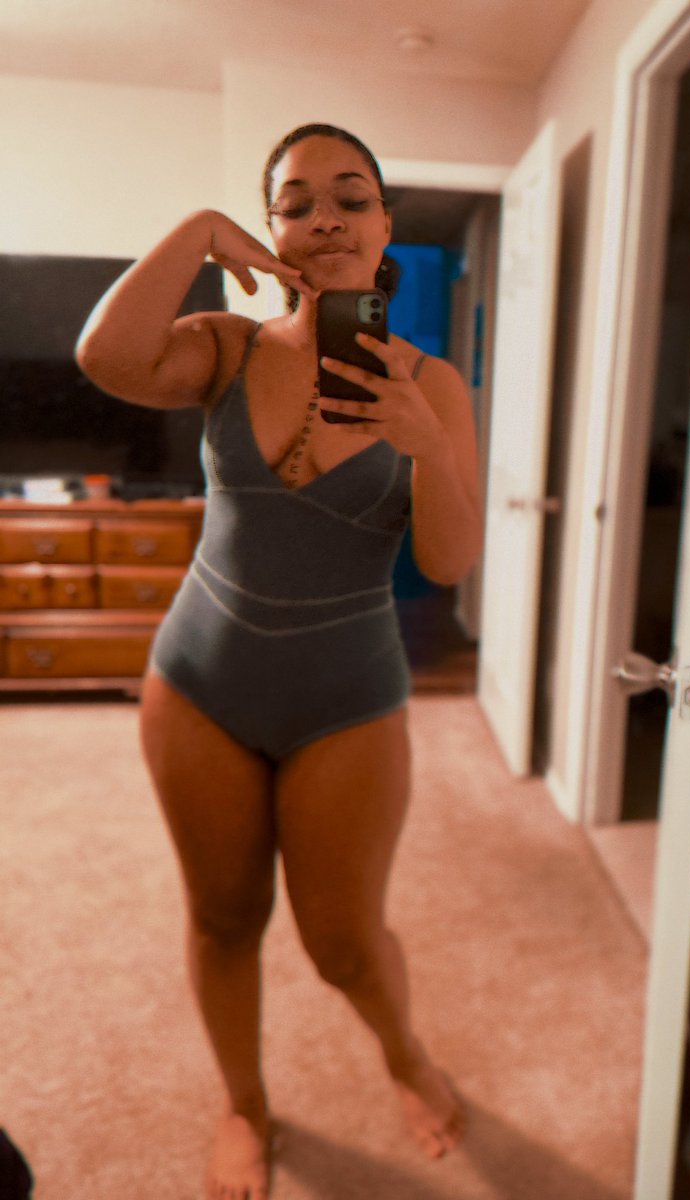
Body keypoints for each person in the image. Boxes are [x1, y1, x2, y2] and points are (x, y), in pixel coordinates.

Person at [76, 123, 483, 1199]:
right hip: (199, 684)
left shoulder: (434, 384)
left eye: (350, 198)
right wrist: (198, 233)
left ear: (385, 224)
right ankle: (243, 1104)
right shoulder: (225, 346)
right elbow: (105, 358)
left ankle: (405, 1056)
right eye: (295, 205)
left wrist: (424, 442)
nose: (325, 221)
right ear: (272, 232)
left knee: (344, 941)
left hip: (348, 699)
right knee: (222, 918)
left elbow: (449, 560)